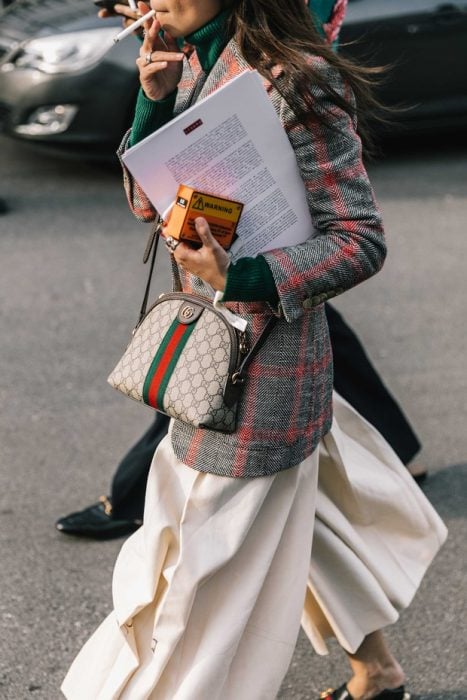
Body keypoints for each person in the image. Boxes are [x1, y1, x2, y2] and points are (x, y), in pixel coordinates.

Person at [62, 1, 446, 698]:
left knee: (192, 585)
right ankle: (377, 672)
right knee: (313, 524)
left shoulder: (298, 80)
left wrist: (241, 276)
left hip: (258, 376)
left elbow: (359, 239)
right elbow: (151, 205)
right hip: (207, 356)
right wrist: (150, 102)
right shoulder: (192, 59)